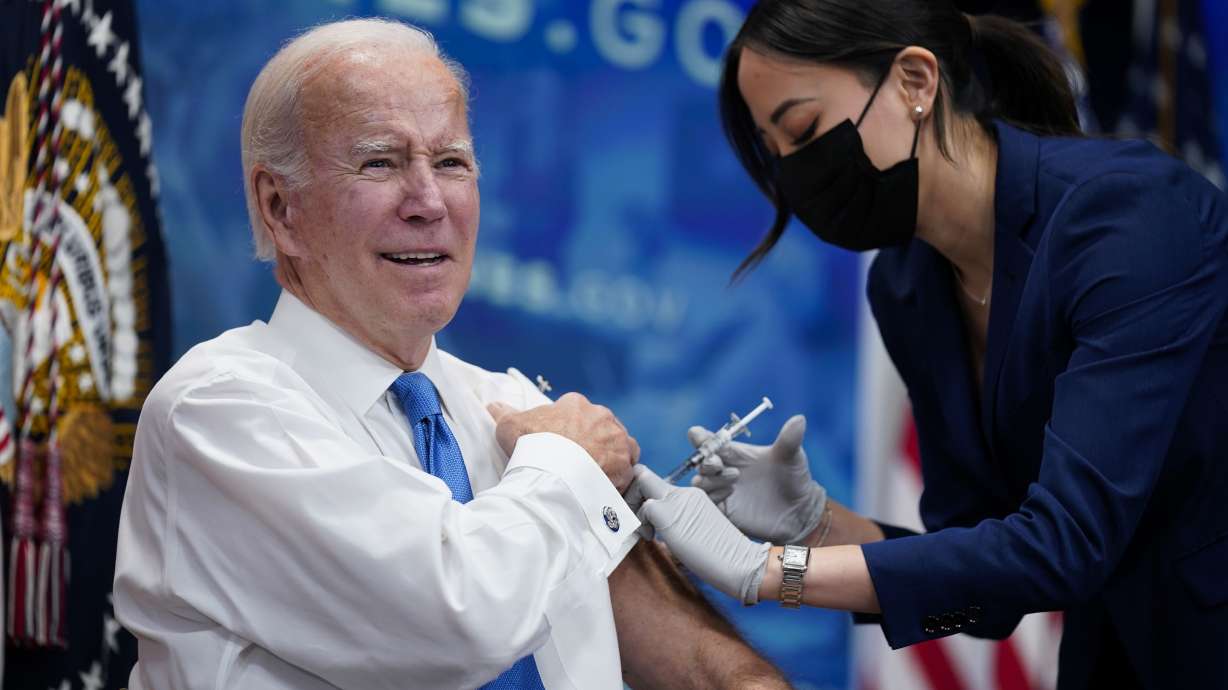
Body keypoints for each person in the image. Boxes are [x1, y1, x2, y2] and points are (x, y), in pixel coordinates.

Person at [113, 18, 789, 690]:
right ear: (280, 206)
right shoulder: (217, 408)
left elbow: (699, 665)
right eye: (380, 161)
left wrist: (774, 578)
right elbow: (457, 622)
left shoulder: (518, 409)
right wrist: (569, 466)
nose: (429, 202)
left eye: (451, 162)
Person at [629, 1, 1228, 689]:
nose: (795, 172)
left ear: (916, 81)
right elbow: (984, 581)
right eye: (776, 153)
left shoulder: (1128, 216)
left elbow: (1064, 545)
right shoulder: (909, 285)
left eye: (804, 129)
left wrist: (769, 574)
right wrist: (817, 525)